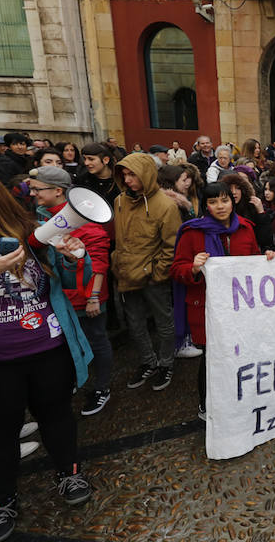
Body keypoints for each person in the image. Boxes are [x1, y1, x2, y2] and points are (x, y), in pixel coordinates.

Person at [0, 177, 94, 538]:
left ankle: (69, 472)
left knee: (57, 414)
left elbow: (68, 281)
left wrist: (74, 257)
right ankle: (2, 500)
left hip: (48, 347)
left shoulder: (32, 231)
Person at [171, 182, 271, 420]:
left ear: (233, 201)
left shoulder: (246, 228)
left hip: (240, 310)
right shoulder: (192, 232)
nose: (220, 206)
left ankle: (239, 397)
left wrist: (267, 259)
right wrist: (193, 267)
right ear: (205, 205)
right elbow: (176, 269)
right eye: (213, 202)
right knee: (211, 359)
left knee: (241, 354)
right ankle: (207, 404)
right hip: (207, 309)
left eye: (224, 200)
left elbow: (255, 261)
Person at [28, 167, 114, 416]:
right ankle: (81, 379)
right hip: (62, 298)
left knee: (97, 341)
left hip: (87, 299)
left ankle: (101, 387)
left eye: (37, 189)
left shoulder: (90, 228)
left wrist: (93, 297)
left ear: (57, 191)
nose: (33, 194)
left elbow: (98, 264)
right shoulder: (42, 219)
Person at [112, 153, 182, 392]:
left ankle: (166, 363)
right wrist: (118, 263)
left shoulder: (166, 205)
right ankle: (147, 361)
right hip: (126, 274)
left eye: (133, 174)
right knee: (135, 323)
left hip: (153, 277)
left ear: (147, 174)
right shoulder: (119, 201)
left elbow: (171, 245)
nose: (128, 179)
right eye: (124, 174)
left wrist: (157, 273)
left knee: (163, 321)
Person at [76, 143, 120, 208]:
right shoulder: (82, 181)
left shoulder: (120, 180)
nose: (86, 163)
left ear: (105, 160)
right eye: (85, 159)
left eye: (91, 159)